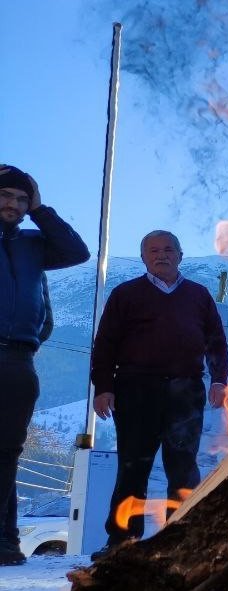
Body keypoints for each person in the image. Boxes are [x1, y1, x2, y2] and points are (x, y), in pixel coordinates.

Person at [91, 230, 228, 554]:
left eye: (169, 249)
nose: (161, 255)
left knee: (183, 469)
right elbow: (105, 344)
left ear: (180, 256)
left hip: (186, 393)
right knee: (132, 468)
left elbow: (217, 341)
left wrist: (219, 379)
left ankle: (181, 542)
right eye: (153, 250)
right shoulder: (126, 295)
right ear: (143, 258)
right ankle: (122, 542)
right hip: (136, 392)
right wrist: (103, 387)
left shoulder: (199, 295)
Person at [0, 165, 90, 566]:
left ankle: (5, 541)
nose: (12, 204)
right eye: (5, 196)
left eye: (21, 199)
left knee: (7, 453)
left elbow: (78, 252)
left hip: (19, 360)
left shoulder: (35, 245)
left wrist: (41, 210)